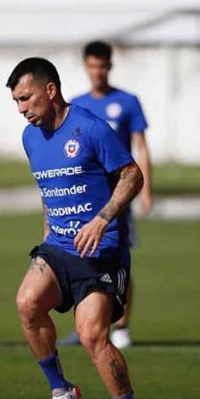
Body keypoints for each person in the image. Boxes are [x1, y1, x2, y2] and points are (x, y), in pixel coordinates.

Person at [7, 57, 146, 399]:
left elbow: (132, 176)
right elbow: (48, 190)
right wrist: (46, 235)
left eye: (26, 98)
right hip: (58, 246)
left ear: (50, 90)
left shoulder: (90, 127)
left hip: (101, 251)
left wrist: (102, 219)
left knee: (91, 337)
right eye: (16, 101)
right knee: (27, 303)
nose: (21, 109)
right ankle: (61, 391)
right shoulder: (30, 138)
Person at [60, 40, 152, 350]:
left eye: (102, 66)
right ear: (86, 67)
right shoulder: (76, 105)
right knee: (81, 259)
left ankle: (121, 326)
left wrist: (146, 190)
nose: (97, 72)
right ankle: (85, 325)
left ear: (110, 66)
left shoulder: (127, 102)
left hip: (118, 196)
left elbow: (141, 147)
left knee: (119, 261)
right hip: (85, 196)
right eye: (92, 66)